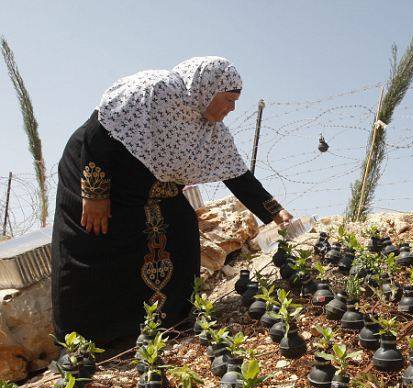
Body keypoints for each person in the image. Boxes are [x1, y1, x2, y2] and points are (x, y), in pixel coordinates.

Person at [51, 56, 292, 348]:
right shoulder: (152, 91)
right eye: (228, 100)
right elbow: (98, 131)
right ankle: (88, 340)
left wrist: (275, 211)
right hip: (96, 173)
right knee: (95, 242)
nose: (232, 108)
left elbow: (238, 175)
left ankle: (168, 318)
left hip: (149, 190)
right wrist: (95, 193)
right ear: (206, 89)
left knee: (180, 228)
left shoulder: (210, 132)